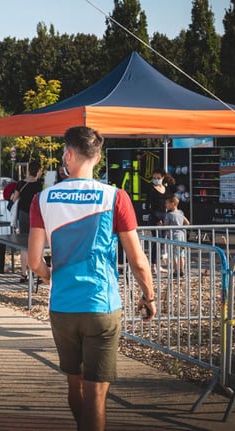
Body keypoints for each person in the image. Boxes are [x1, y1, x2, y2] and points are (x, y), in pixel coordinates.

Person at [27, 126, 155, 431]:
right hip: (101, 304)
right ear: (97, 158)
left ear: (69, 155)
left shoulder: (42, 199)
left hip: (62, 306)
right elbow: (137, 260)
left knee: (75, 386)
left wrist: (47, 275)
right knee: (96, 395)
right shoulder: (115, 197)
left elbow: (33, 261)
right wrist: (148, 296)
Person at [9, 161, 43, 283]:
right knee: (38, 243)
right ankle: (39, 273)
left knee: (24, 244)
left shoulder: (21, 183)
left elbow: (14, 198)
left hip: (23, 214)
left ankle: (24, 274)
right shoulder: (39, 185)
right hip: (36, 215)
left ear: (28, 170)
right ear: (38, 171)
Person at [146, 168, 176, 274]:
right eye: (154, 178)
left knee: (162, 241)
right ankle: (153, 265)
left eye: (158, 178)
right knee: (156, 241)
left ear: (163, 177)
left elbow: (171, 202)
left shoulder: (166, 189)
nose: (156, 180)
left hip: (164, 216)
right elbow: (148, 206)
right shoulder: (151, 189)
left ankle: (157, 264)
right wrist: (157, 219)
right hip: (155, 217)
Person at [164, 195, 189, 276]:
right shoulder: (181, 213)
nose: (166, 205)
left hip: (174, 236)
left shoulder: (169, 215)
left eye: (167, 203)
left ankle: (176, 270)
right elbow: (187, 222)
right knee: (181, 254)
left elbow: (165, 225)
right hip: (182, 235)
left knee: (174, 254)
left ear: (173, 204)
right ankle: (182, 270)